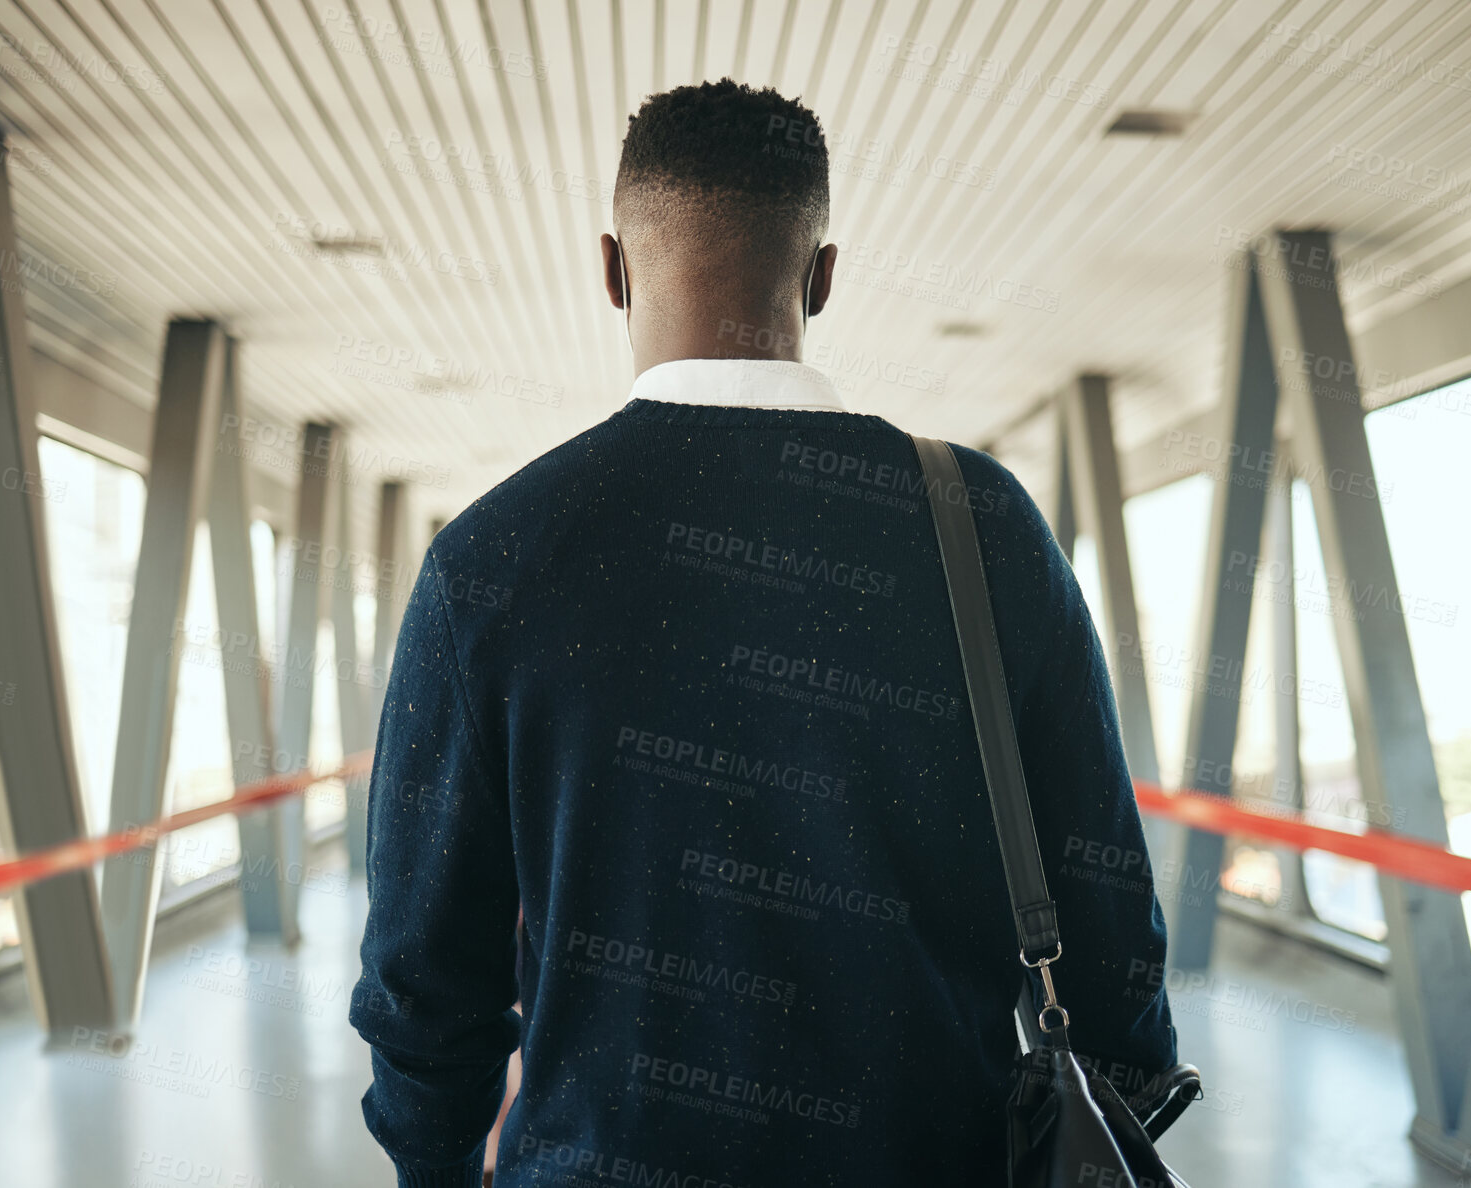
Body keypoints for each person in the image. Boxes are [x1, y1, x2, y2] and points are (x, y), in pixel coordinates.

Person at [350, 78, 1177, 1187]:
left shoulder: (489, 560)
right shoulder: (982, 526)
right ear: (823, 276)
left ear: (611, 269)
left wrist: (434, 1166)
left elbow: (423, 981)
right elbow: (1107, 911)